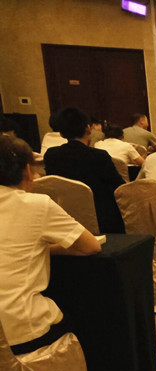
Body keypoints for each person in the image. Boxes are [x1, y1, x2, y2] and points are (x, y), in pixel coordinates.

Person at [0, 134, 101, 354]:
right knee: (89, 321)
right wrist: (44, 248)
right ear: (27, 171)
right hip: (20, 330)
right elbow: (91, 246)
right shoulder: (35, 204)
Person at [44, 107, 126, 234]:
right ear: (88, 129)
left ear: (61, 133)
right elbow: (119, 188)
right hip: (102, 222)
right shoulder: (99, 156)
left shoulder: (51, 155)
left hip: (65, 219)